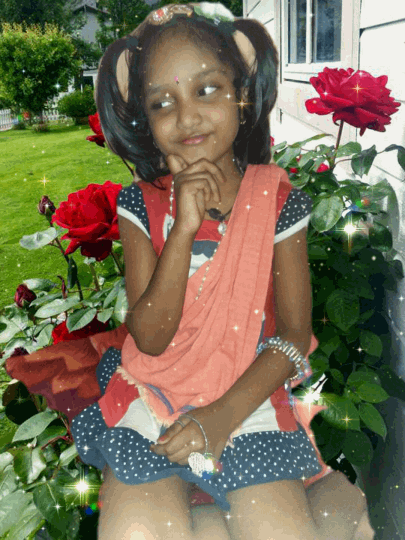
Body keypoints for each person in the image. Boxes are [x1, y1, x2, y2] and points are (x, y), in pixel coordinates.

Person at [69, 3, 375, 539]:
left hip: (247, 402)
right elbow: (150, 337)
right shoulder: (141, 204)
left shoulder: (277, 203)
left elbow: (294, 335)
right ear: (143, 116)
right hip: (153, 398)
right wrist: (182, 230)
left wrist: (221, 417)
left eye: (206, 89)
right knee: (135, 530)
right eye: (162, 102)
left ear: (242, 87)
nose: (187, 117)